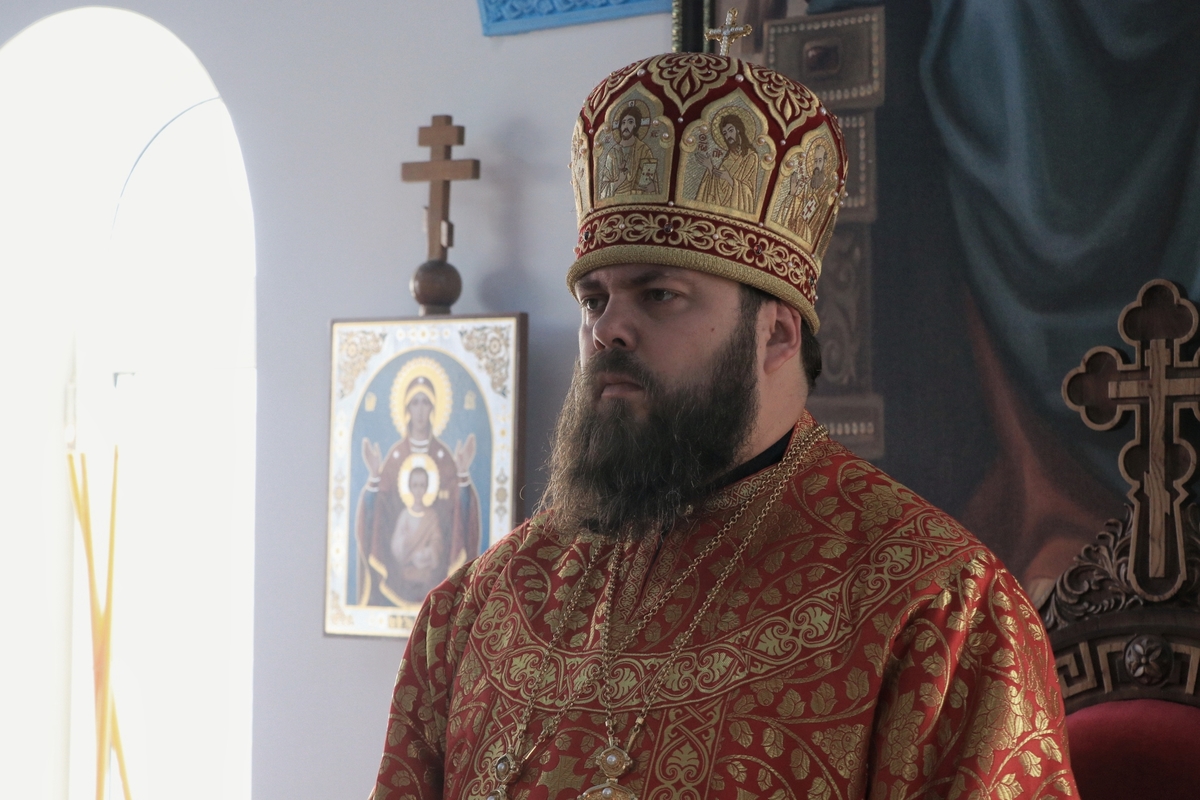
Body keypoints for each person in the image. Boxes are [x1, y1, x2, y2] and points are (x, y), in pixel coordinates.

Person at [371, 52, 1076, 800]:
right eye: (594, 300)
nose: (608, 328)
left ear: (776, 334)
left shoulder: (940, 613)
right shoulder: (477, 609)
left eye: (659, 294)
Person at [356, 366, 481, 606]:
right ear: (407, 409)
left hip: (437, 574)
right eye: (415, 403)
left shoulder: (444, 457)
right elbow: (377, 512)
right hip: (396, 574)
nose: (420, 410)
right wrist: (373, 478)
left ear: (433, 408)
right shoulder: (395, 457)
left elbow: (462, 513)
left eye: (425, 402)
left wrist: (463, 475)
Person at [696, 112, 758, 213]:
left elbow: (748, 193)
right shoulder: (728, 157)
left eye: (730, 130)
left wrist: (729, 179)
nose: (728, 136)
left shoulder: (751, 157)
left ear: (738, 130)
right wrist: (710, 167)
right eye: (724, 133)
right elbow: (718, 187)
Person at [597, 105, 656, 199]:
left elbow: (651, 182)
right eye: (623, 122)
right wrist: (619, 180)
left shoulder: (643, 150)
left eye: (630, 122)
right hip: (616, 202)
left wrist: (652, 187)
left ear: (636, 125)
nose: (626, 126)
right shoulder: (613, 153)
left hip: (639, 200)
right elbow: (603, 190)